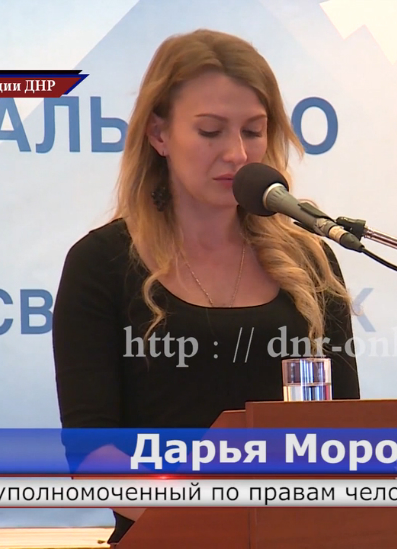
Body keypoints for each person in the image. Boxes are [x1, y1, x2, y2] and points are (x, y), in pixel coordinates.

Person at [51, 29, 361, 546]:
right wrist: (213, 509)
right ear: (159, 134)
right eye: (211, 131)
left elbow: (344, 434)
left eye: (253, 131)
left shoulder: (311, 260)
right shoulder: (100, 264)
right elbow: (93, 454)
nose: (237, 154)